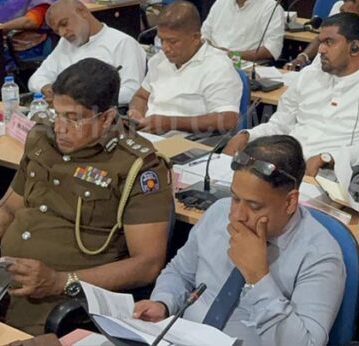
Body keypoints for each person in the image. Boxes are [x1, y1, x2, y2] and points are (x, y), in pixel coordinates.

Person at [0, 59, 173, 334]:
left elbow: (147, 265)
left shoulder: (137, 166)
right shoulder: (42, 139)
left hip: (64, 307)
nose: (60, 128)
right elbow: (8, 209)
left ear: (106, 118)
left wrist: (61, 281)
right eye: (57, 114)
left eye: (74, 118)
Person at [136, 135, 345, 346]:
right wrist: (163, 303)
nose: (236, 215)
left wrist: (258, 277)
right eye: (235, 198)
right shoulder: (218, 213)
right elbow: (180, 273)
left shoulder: (320, 255)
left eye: (254, 206)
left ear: (290, 202)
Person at [225, 13, 359, 174]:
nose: (321, 49)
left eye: (329, 42)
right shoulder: (309, 75)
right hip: (288, 164)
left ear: (355, 48)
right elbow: (280, 125)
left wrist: (328, 157)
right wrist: (247, 135)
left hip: (336, 172)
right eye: (321, 42)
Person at [128, 1, 241, 136]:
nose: (165, 48)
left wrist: (170, 123)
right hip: (148, 136)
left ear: (195, 38)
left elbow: (228, 120)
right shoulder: (159, 60)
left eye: (173, 42)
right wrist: (136, 112)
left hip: (189, 142)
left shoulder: (217, 66)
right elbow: (141, 96)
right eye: (161, 40)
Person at [30, 0, 145, 105]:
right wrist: (46, 87)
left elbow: (132, 91)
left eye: (64, 24)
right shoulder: (65, 43)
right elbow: (36, 78)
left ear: (82, 12)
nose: (62, 33)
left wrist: (83, 100)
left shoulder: (122, 43)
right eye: (57, 31)